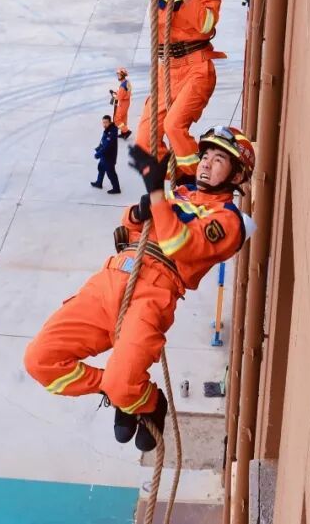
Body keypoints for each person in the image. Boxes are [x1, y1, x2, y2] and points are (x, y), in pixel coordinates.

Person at [24, 128, 255, 452]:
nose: (205, 163)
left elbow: (179, 245)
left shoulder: (228, 221)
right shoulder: (180, 193)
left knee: (122, 384)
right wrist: (138, 212)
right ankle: (121, 392)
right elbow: (129, 225)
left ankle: (147, 401)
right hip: (111, 278)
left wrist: (157, 196)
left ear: (237, 174)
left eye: (218, 160)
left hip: (153, 293)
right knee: (40, 360)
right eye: (205, 156)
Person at [134, 0, 224, 182]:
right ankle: (175, 181)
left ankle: (198, 182)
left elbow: (206, 24)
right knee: (144, 140)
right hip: (168, 69)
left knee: (174, 126)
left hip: (196, 66)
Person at [91, 115, 121, 194]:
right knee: (101, 168)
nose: (104, 124)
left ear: (110, 122)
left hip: (109, 157)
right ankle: (99, 183)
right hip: (104, 156)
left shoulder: (111, 132)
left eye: (106, 122)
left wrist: (98, 154)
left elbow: (107, 146)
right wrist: (99, 147)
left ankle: (116, 189)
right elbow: (103, 142)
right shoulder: (108, 130)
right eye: (103, 122)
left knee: (111, 173)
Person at [111, 67, 133, 139]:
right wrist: (115, 92)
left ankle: (126, 131)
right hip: (126, 102)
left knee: (117, 119)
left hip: (122, 103)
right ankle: (124, 133)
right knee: (123, 118)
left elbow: (119, 97)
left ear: (122, 75)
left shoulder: (122, 86)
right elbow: (123, 93)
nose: (118, 76)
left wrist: (113, 95)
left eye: (119, 75)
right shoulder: (126, 82)